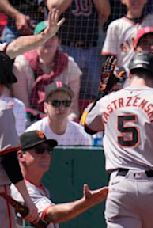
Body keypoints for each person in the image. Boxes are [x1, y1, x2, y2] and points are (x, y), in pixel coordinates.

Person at [83, 51, 153, 227]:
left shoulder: (108, 100)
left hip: (120, 186)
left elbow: (88, 125)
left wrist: (103, 94)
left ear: (131, 73)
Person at [0, 9, 64, 228]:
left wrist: (42, 37)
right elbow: (9, 160)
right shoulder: (3, 110)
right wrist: (27, 200)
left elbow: (15, 46)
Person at [11, 130, 108, 227]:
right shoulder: (21, 190)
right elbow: (51, 214)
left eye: (48, 150)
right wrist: (85, 203)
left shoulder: (41, 189)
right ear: (20, 156)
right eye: (39, 150)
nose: (46, 154)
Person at [12, 20, 82, 122]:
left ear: (59, 41)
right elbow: (22, 108)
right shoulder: (20, 65)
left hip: (61, 122)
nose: (48, 40)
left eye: (52, 36)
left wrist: (64, 123)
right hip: (29, 122)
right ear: (35, 40)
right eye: (44, 36)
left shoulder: (71, 66)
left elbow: (73, 110)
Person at [47, 0, 110, 109]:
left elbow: (106, 12)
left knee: (92, 96)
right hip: (66, 48)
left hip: (92, 49)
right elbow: (53, 8)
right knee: (64, 94)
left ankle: (87, 124)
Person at [101, 0, 153, 72]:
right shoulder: (116, 26)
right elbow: (109, 60)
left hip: (152, 76)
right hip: (126, 79)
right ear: (123, 1)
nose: (136, 1)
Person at [26, 82, 92, 146]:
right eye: (56, 103)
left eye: (66, 103)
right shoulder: (34, 133)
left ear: (71, 106)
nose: (61, 107)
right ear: (45, 107)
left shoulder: (81, 135)